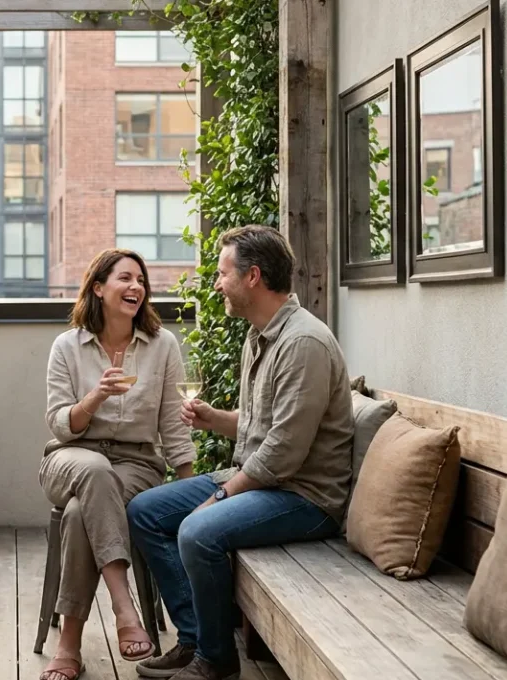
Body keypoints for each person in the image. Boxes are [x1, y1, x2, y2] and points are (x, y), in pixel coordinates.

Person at [126, 225, 354, 680]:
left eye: (222, 272)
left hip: (306, 497)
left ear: (252, 277)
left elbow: (284, 453)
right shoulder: (261, 333)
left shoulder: (302, 343)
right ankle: (194, 640)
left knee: (198, 532)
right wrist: (215, 418)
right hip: (267, 480)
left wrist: (225, 494)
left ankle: (216, 660)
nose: (216, 283)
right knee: (145, 511)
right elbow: (260, 427)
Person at [38, 248, 197, 680]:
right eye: (125, 278)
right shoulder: (67, 346)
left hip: (136, 464)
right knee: (92, 471)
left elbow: (171, 424)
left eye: (141, 280)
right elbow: (58, 423)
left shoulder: (162, 346)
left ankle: (68, 646)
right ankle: (124, 606)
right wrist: (96, 397)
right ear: (98, 288)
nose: (136, 287)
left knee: (78, 514)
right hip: (70, 458)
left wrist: (192, 490)